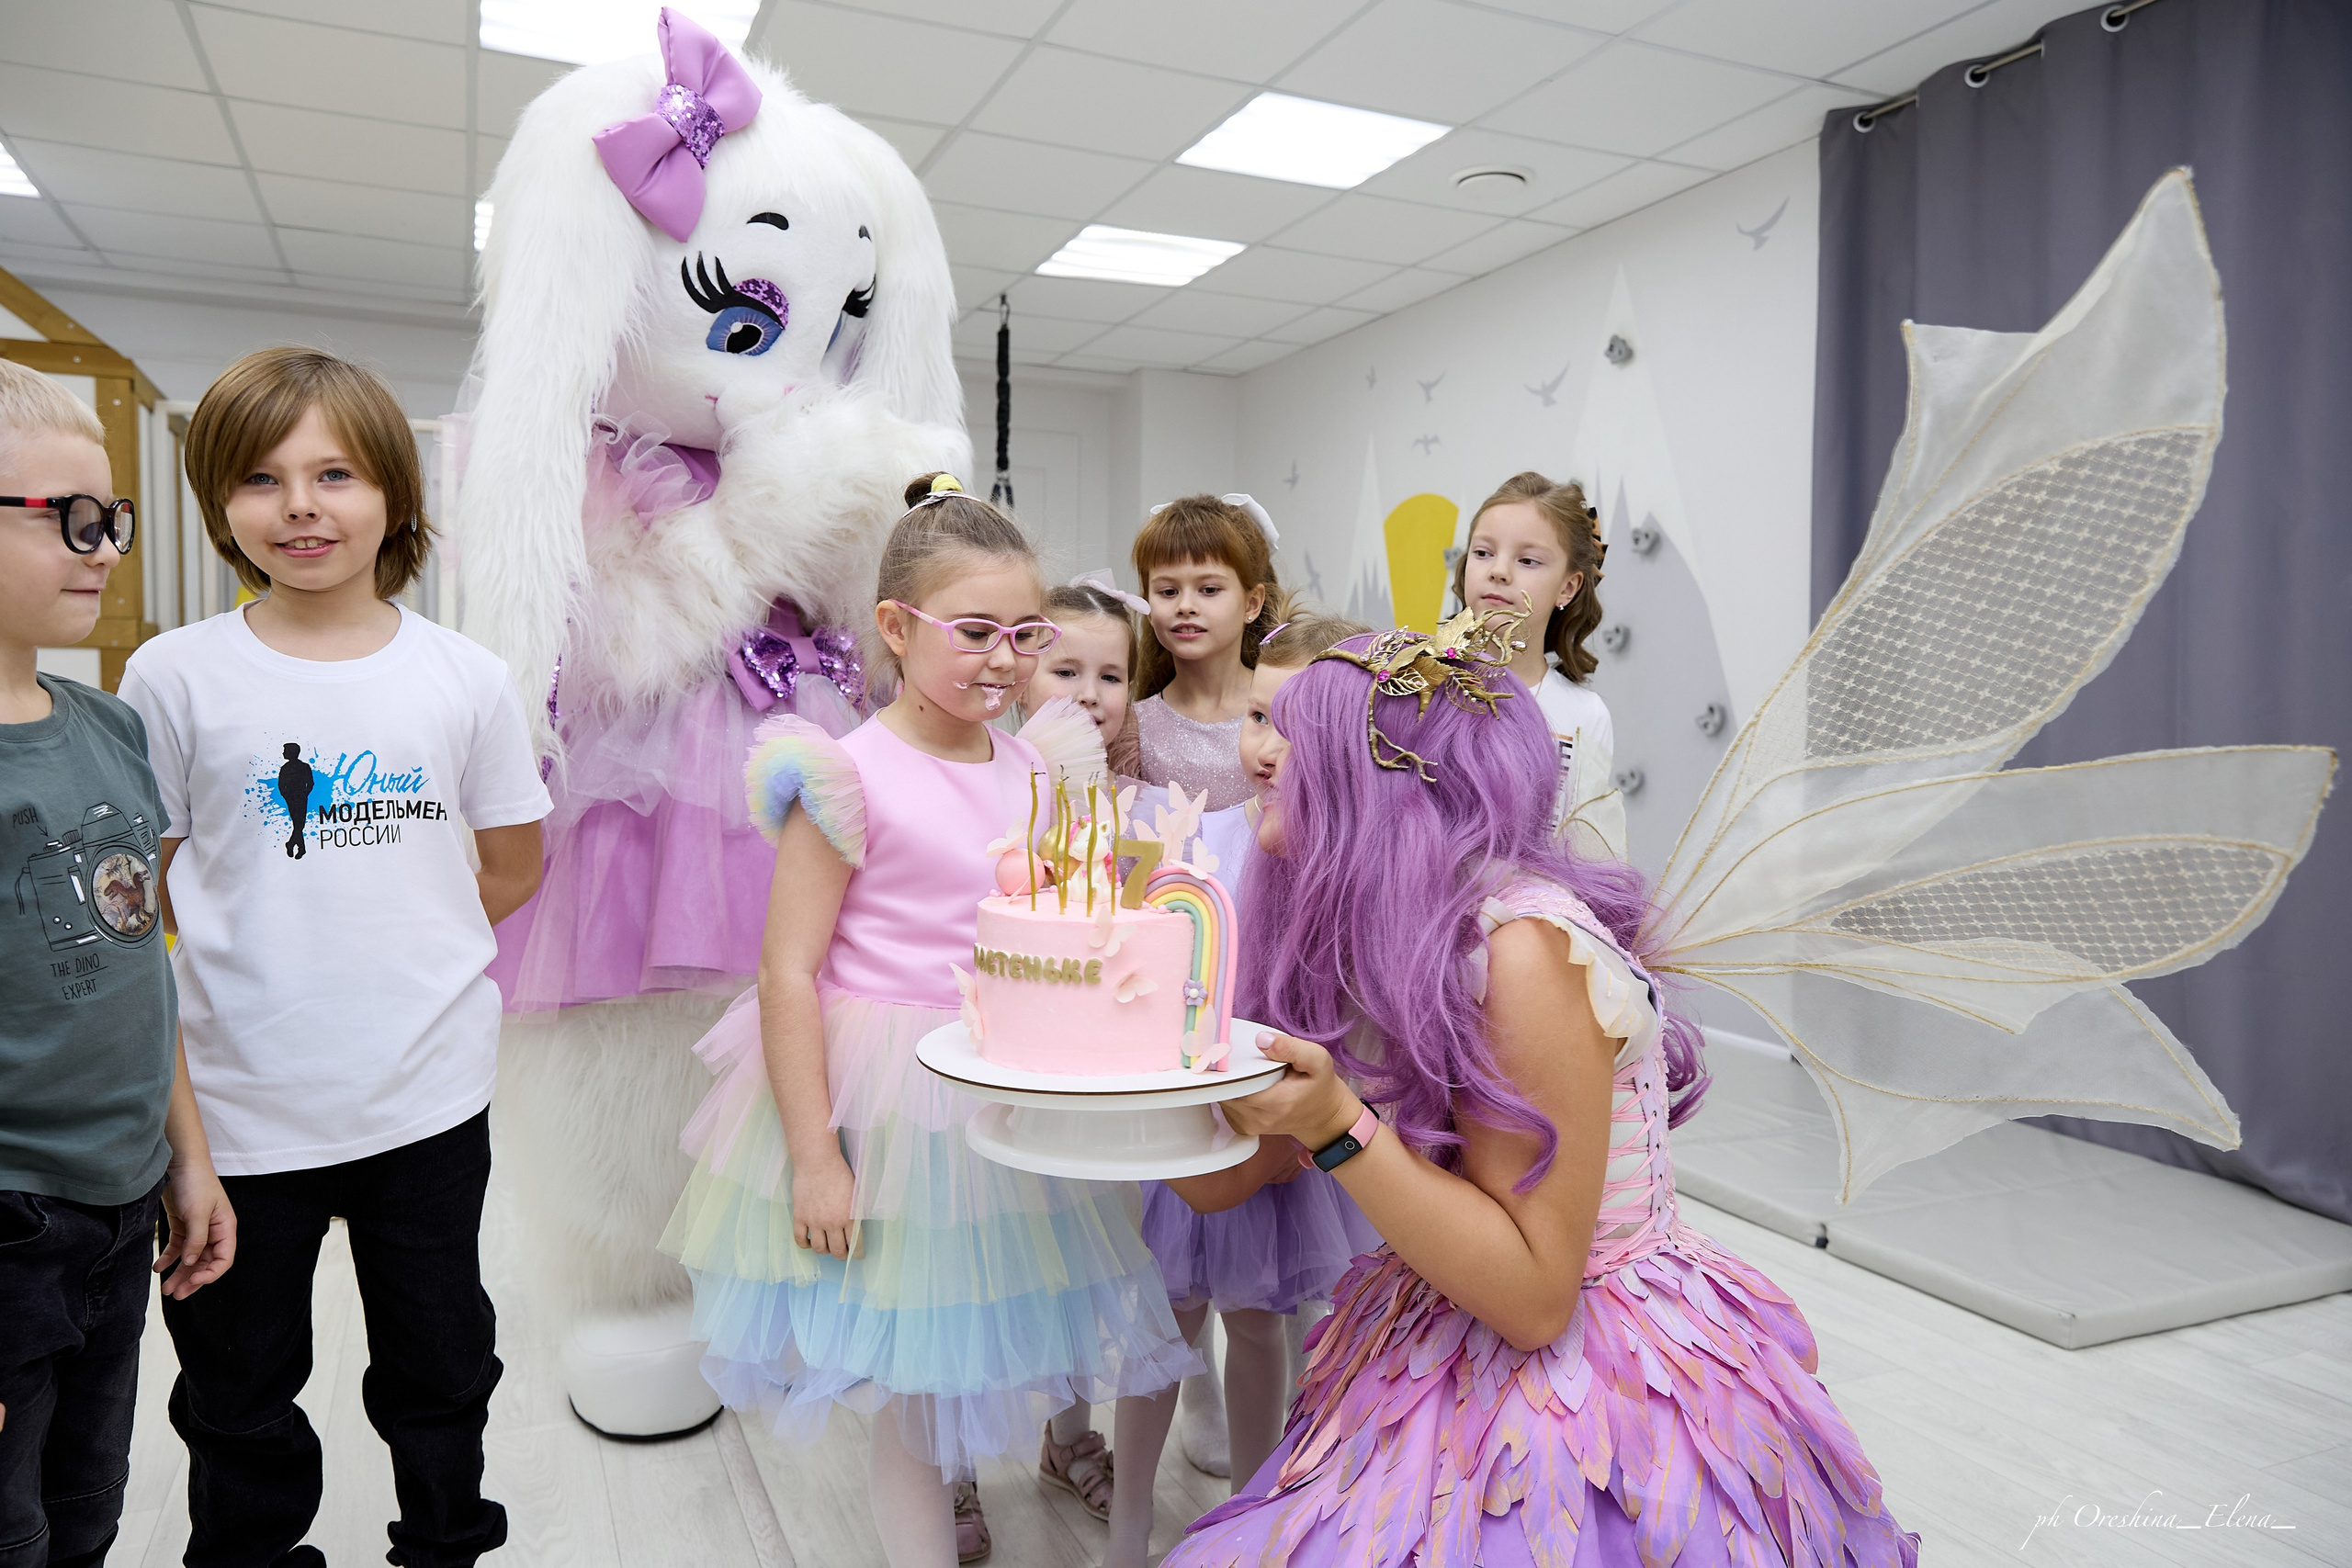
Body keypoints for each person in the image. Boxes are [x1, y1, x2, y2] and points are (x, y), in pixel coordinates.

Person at [1158, 612, 1920, 1567]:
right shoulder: (1367, 935)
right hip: (1436, 1309)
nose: (1260, 756)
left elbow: (1533, 1300)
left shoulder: (1518, 949)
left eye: (1291, 733)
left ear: (1381, 782)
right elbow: (1217, 1182)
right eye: (1259, 722)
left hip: (1590, 1383)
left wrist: (1338, 1125)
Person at [659, 474, 1196, 1568]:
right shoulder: (846, 775)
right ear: (897, 630)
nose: (1004, 659)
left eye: (1024, 633)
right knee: (910, 1389)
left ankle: (1028, 1471)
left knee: (992, 1343)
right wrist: (816, 1157)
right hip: (888, 1099)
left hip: (1005, 1087)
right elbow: (786, 975)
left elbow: (1051, 918)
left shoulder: (1039, 763)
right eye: (976, 632)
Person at [119, 347, 549, 1568]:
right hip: (243, 1115)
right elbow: (140, 900)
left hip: (426, 1100)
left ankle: (446, 1540)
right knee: (237, 1384)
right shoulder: (173, 675)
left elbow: (512, 865)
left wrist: (402, 937)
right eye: (261, 477)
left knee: (442, 1357)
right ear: (220, 505)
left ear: (395, 497)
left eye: (335, 473)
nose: (301, 503)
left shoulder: (465, 676)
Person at [0, 359, 234, 1568]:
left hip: (120, 1201)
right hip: (12, 1225)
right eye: (71, 520)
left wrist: (184, 1154)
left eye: (115, 518)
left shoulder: (111, 728)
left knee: (86, 1500)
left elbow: (148, 966)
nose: (104, 546)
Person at [1455, 471, 1625, 862]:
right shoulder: (1420, 680)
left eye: (1527, 560)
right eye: (1483, 553)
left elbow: (1584, 853)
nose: (1498, 570)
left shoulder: (1586, 716)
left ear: (1568, 587)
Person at [1110, 495, 1286, 811]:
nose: (1186, 606)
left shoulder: (1285, 711)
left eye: (1209, 590)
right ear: (1147, 605)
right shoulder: (1131, 729)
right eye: (1168, 592)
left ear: (1252, 603)